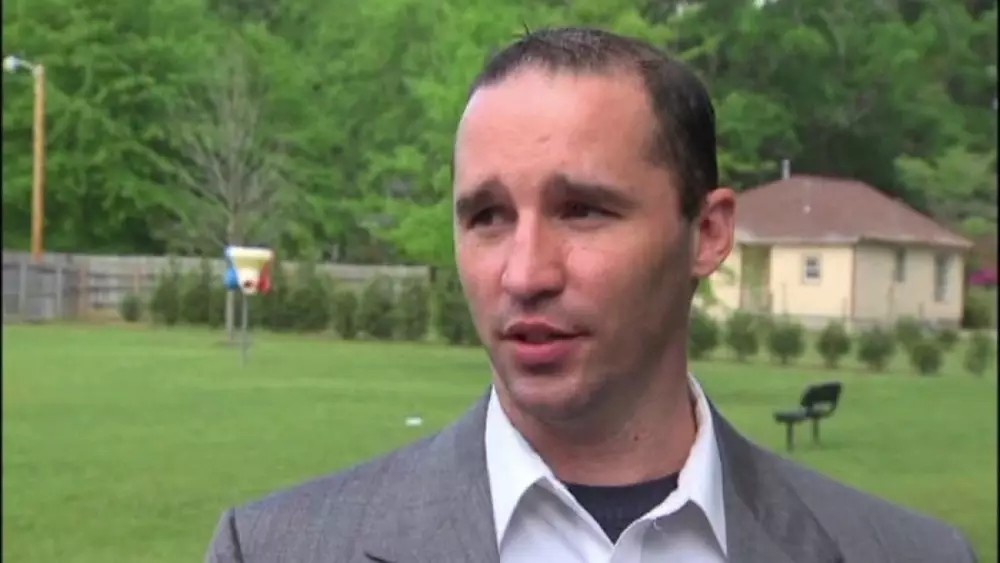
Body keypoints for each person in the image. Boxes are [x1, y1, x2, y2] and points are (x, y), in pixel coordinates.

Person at [205, 26, 978, 563]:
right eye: (487, 216)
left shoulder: (913, 553)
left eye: (582, 210)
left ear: (708, 233)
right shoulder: (274, 549)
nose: (524, 272)